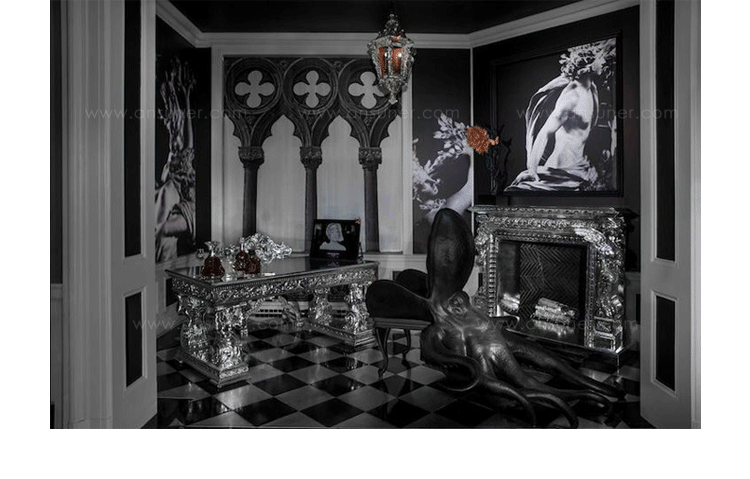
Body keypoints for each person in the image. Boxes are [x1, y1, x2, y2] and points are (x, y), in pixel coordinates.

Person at [507, 38, 616, 191]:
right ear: (590, 60)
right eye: (602, 57)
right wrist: (532, 169)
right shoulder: (572, 96)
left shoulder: (592, 89)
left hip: (579, 168)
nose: (605, 62)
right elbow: (545, 132)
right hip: (561, 170)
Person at [155, 58, 197, 262]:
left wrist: (187, 97)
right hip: (175, 195)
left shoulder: (181, 166)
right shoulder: (171, 169)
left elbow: (188, 143)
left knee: (162, 231)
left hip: (186, 204)